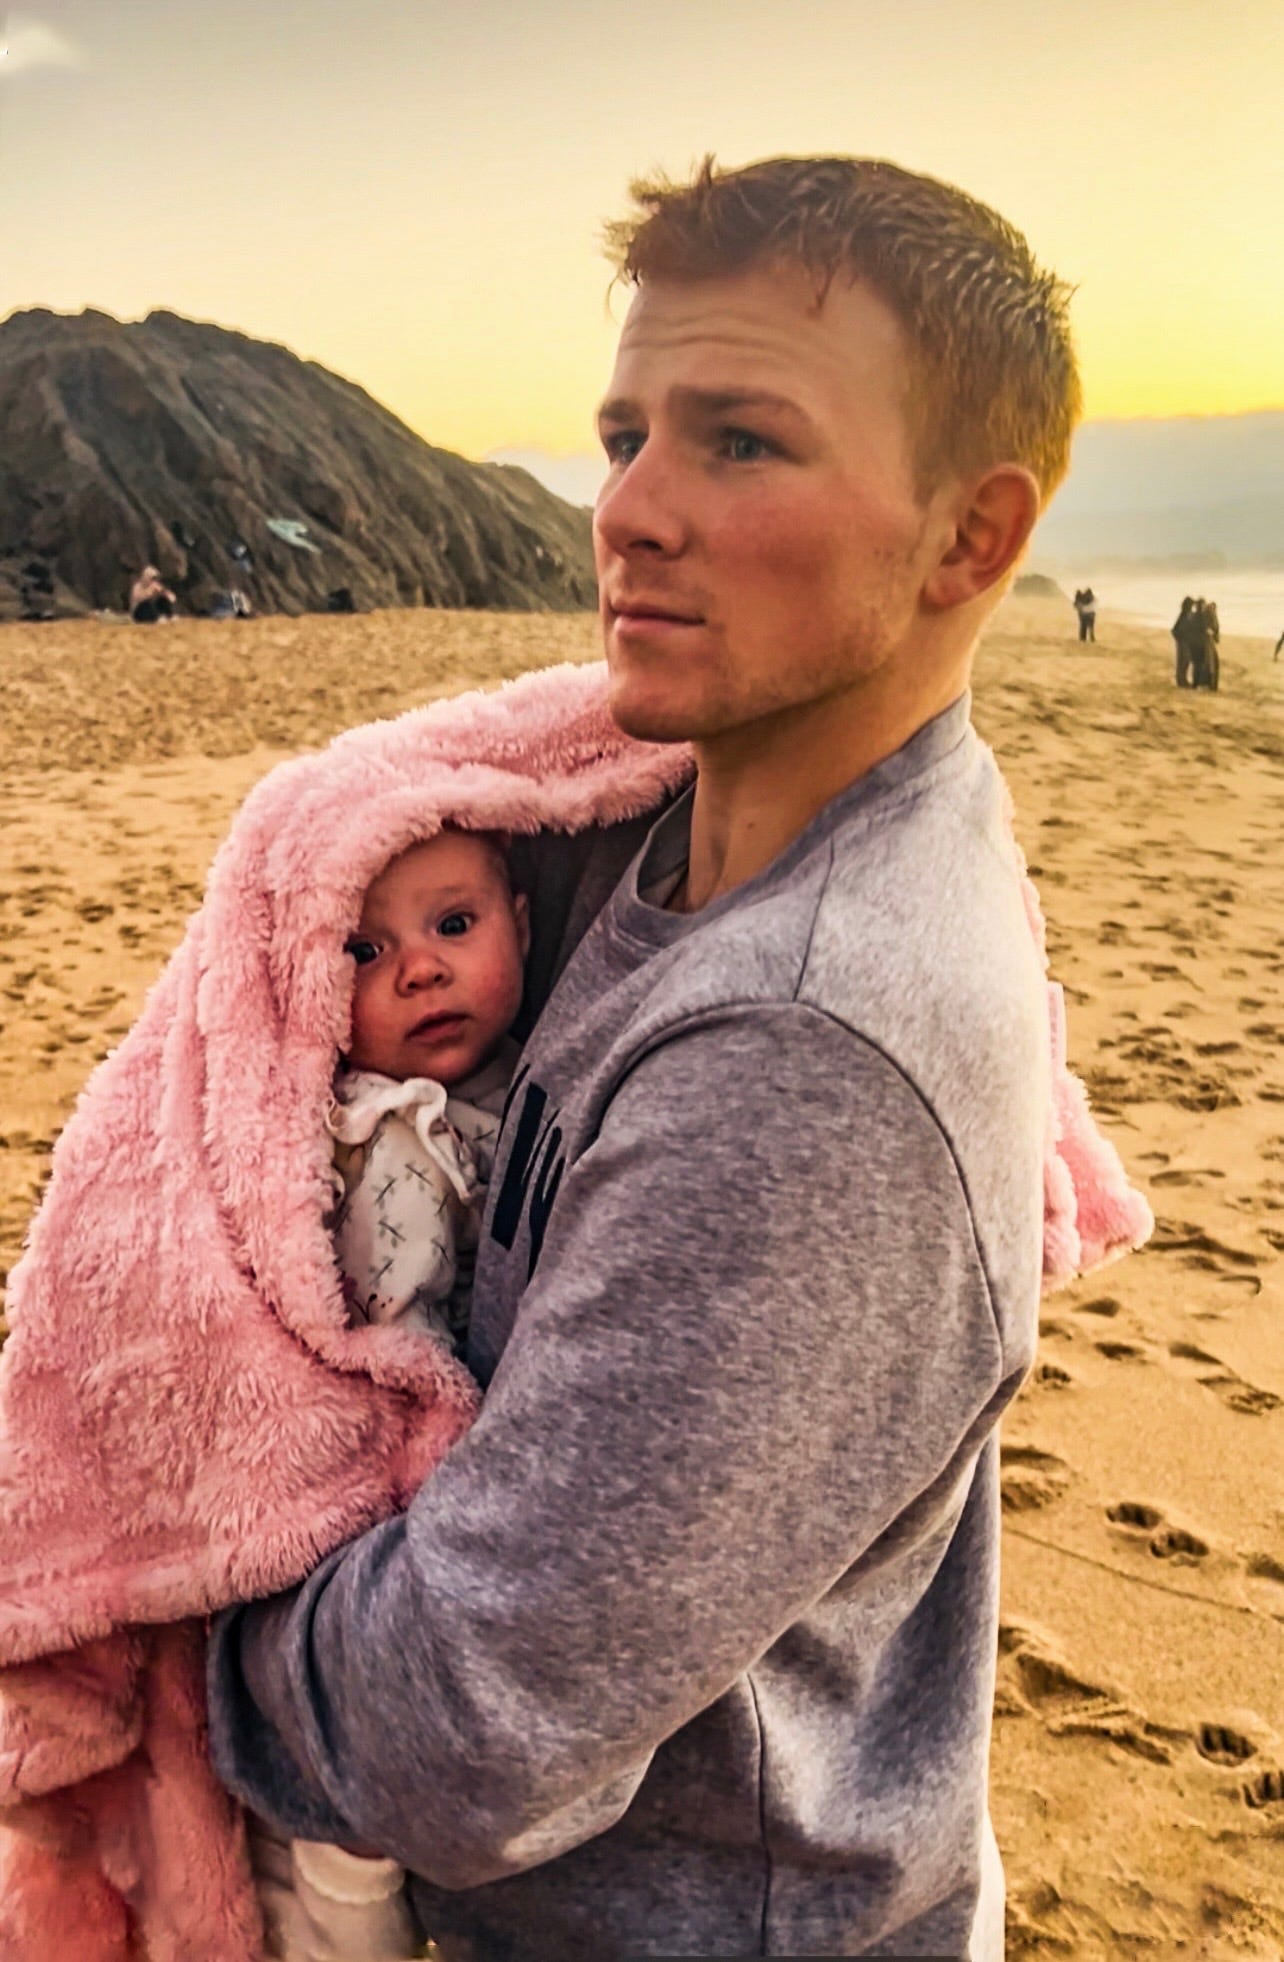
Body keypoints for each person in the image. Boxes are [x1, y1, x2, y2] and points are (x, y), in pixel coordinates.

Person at [207, 154, 1087, 1960]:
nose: (628, 510)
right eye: (624, 436)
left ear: (970, 538)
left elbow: (454, 1726)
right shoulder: (648, 836)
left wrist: (168, 1595)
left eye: (740, 441)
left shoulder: (804, 1050)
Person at [250, 827, 528, 1962]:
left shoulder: (541, 1075)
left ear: (522, 922)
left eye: (455, 925)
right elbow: (390, 1340)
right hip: (381, 1505)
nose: (420, 969)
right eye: (365, 951)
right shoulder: (378, 1131)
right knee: (339, 1841)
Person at [1172, 595, 1197, 685]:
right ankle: (1181, 680)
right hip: (1183, 642)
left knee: (1185, 661)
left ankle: (1182, 680)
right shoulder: (1184, 615)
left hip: (1186, 641)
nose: (1192, 607)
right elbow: (1174, 630)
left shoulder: (1187, 614)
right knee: (1183, 661)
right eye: (1191, 605)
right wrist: (1179, 639)